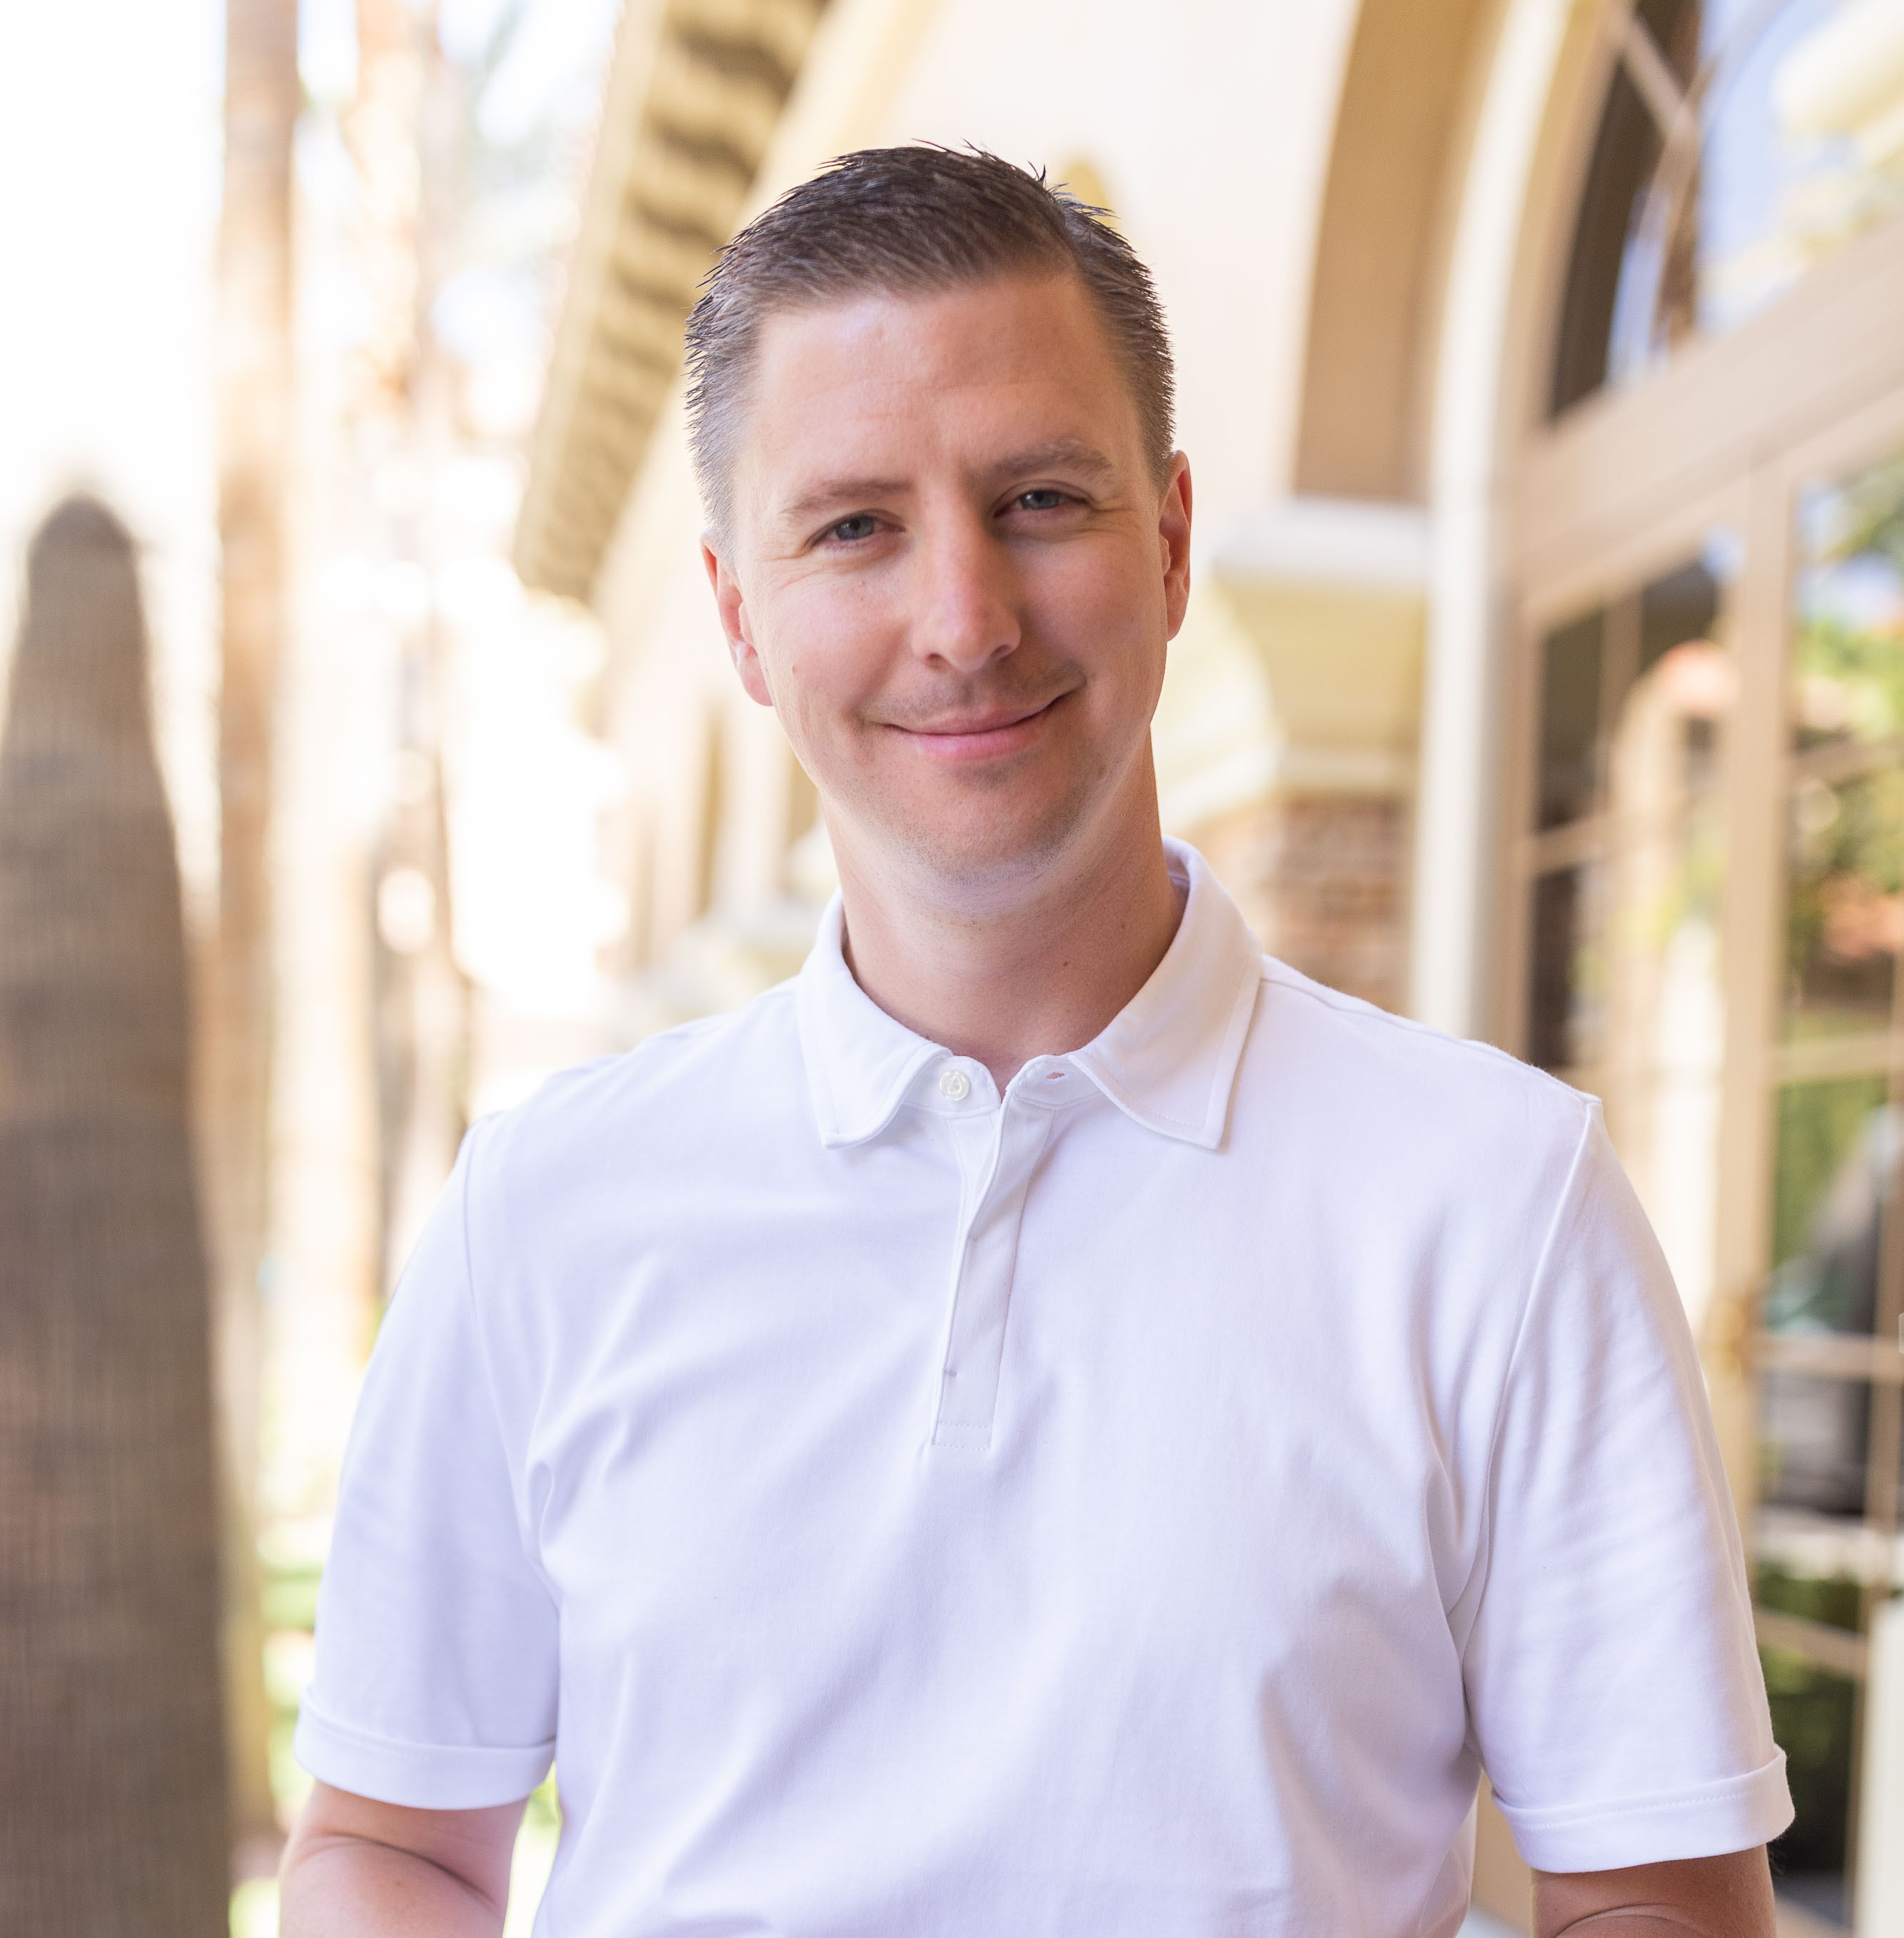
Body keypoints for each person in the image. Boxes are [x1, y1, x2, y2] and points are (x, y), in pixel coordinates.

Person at [281, 148, 1791, 1938]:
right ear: (740, 617)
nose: (963, 620)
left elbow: (1656, 1898)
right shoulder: (546, 1205)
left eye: (1039, 499)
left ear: (1163, 543)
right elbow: (389, 1848)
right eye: (854, 525)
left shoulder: (1499, 1199)